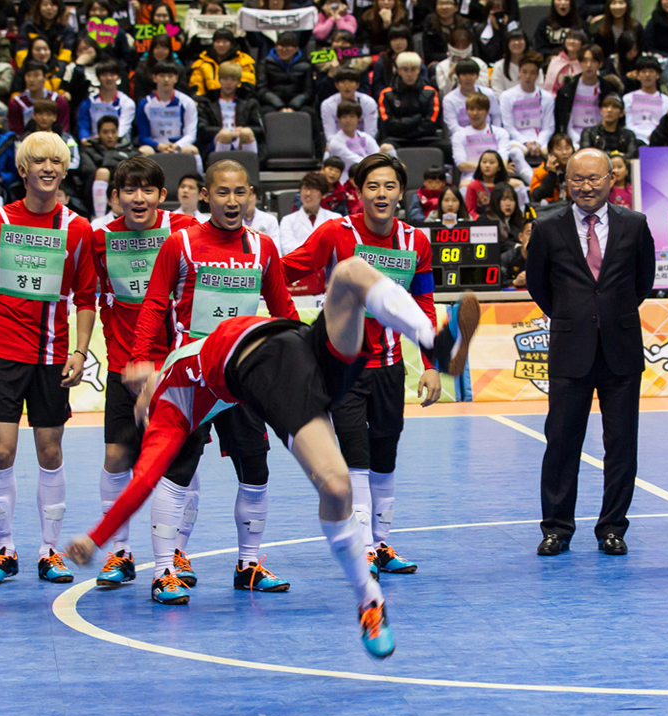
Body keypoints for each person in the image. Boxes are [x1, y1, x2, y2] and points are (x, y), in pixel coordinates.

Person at [66, 257, 478, 658]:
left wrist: (144, 367)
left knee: (349, 272)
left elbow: (163, 332)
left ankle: (434, 343)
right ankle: (369, 599)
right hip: (265, 371)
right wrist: (96, 538)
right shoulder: (168, 415)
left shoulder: (171, 364)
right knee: (337, 489)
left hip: (300, 343)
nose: (138, 400)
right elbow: (143, 479)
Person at [283, 154, 474, 578]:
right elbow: (286, 269)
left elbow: (424, 301)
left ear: (401, 192)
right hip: (346, 367)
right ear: (358, 192)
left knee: (385, 456)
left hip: (391, 365)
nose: (381, 194)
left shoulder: (416, 241)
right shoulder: (336, 233)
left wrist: (428, 366)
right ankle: (365, 548)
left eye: (389, 186)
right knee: (356, 456)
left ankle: (381, 544)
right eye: (372, 186)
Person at [121, 159, 300, 596]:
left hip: (240, 378)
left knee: (255, 468)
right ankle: (164, 571)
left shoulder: (263, 248)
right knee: (177, 471)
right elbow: (154, 304)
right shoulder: (179, 244)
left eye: (240, 192)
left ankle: (249, 565)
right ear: (206, 196)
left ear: (252, 196)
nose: (232, 201)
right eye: (222, 192)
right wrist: (141, 360)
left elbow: (285, 312)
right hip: (190, 376)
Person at [0, 130, 97, 586]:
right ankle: (5, 547)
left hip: (52, 354)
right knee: (2, 450)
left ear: (65, 169)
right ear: (22, 170)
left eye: (56, 161)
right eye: (39, 161)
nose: (48, 168)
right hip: (3, 351)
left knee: (50, 450)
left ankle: (49, 551)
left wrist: (80, 350)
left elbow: (86, 297)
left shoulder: (77, 228)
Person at [526, 147, 656, 557]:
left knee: (621, 445)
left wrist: (610, 314)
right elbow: (538, 285)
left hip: (621, 349)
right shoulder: (547, 227)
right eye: (578, 179)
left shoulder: (635, 224)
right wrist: (573, 316)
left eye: (594, 178)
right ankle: (556, 529)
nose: (586, 186)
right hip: (571, 349)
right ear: (566, 182)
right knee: (561, 443)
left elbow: (643, 280)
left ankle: (613, 528)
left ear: (611, 180)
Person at [87, 156, 198, 584]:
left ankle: (178, 551)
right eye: (129, 190)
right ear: (115, 196)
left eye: (147, 190)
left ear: (161, 195)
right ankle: (119, 553)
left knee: (181, 462)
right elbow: (97, 297)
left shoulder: (183, 231)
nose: (139, 198)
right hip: (126, 366)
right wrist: (122, 353)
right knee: (116, 457)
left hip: (177, 368)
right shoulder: (100, 238)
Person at [135, 61, 200, 168]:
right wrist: (158, 146)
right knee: (144, 151)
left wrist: (176, 145)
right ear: (154, 78)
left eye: (170, 76)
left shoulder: (187, 102)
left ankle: (198, 177)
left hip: (179, 145)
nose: (166, 79)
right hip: (156, 146)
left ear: (176, 78)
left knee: (192, 150)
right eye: (162, 76)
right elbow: (143, 136)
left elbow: (191, 134)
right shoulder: (145, 104)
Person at [377, 52, 446, 152]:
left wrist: (403, 124)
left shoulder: (430, 92)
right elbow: (388, 125)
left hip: (426, 138)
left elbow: (431, 124)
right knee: (385, 148)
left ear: (418, 70)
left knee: (448, 148)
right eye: (405, 69)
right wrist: (418, 118)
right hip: (396, 139)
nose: (409, 74)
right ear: (399, 70)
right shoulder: (386, 94)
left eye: (413, 69)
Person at [554, 45, 620, 147]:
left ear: (600, 64)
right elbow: (563, 121)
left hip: (601, 138)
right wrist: (576, 139)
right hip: (573, 138)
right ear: (579, 63)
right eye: (584, 61)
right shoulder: (567, 90)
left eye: (593, 61)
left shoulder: (608, 89)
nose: (588, 65)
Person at [197, 61, 266, 159]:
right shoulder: (207, 101)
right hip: (217, 140)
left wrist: (241, 130)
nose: (228, 83)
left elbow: (260, 129)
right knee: (225, 135)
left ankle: (250, 165)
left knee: (246, 133)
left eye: (233, 80)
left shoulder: (249, 101)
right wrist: (222, 131)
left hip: (240, 139)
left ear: (239, 81)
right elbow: (202, 129)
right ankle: (220, 166)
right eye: (225, 79)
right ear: (219, 79)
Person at [501, 52, 555, 168]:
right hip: (517, 139)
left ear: (537, 75)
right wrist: (525, 142)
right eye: (524, 72)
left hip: (540, 139)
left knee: (553, 154)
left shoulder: (546, 97)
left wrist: (538, 143)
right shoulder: (507, 96)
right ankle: (530, 178)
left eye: (532, 73)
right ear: (519, 72)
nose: (528, 76)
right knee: (515, 152)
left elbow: (548, 126)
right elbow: (508, 126)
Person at [451, 92, 513, 186]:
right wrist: (492, 167)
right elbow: (462, 165)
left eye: (479, 109)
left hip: (497, 179)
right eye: (471, 109)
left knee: (519, 185)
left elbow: (503, 161)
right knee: (464, 186)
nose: (475, 113)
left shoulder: (500, 133)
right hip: (470, 178)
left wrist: (491, 169)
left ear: (487, 111)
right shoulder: (459, 135)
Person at [81, 115, 136, 219]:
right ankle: (99, 217)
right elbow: (87, 170)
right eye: (105, 132)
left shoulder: (127, 149)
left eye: (113, 132)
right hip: (94, 187)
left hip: (122, 182)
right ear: (99, 134)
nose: (110, 136)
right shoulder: (89, 150)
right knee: (103, 172)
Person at [281, 173, 341, 254]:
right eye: (305, 188)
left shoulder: (335, 219)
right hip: (298, 261)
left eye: (313, 189)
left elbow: (337, 248)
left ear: (324, 194)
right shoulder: (288, 221)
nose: (308, 193)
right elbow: (288, 250)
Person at [76, 60, 135, 143]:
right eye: (104, 75)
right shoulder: (89, 103)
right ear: (98, 78)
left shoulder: (127, 103)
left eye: (112, 75)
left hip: (119, 145)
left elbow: (122, 129)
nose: (109, 78)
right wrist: (84, 139)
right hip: (95, 144)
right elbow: (83, 126)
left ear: (118, 77)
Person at [8, 60, 71, 136]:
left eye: (36, 75)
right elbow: (17, 132)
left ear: (45, 77)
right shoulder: (16, 103)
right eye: (28, 75)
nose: (31, 79)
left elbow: (63, 129)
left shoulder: (59, 101)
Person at [255, 32, 313, 116]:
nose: (284, 50)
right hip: (272, 104)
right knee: (264, 112)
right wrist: (279, 106)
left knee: (309, 113)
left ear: (296, 49)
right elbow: (261, 90)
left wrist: (293, 106)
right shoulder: (265, 64)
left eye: (288, 46)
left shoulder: (305, 66)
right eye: (281, 46)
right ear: (276, 47)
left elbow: (309, 92)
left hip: (297, 104)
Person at [441, 58, 503, 135]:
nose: (468, 78)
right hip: (462, 136)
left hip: (487, 135)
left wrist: (494, 133)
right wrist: (472, 135)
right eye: (464, 75)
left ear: (477, 76)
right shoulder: (449, 99)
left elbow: (496, 116)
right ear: (458, 77)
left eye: (472, 74)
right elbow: (453, 126)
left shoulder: (488, 94)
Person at [327, 102, 383, 184]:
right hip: (347, 182)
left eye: (352, 116)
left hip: (369, 175)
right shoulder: (335, 143)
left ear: (359, 118)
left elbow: (378, 155)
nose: (348, 120)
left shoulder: (365, 136)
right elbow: (358, 162)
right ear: (338, 119)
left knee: (387, 148)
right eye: (344, 117)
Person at [188, 28, 256, 96]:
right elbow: (196, 87)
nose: (221, 45)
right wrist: (202, 99)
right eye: (217, 41)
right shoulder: (202, 63)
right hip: (208, 100)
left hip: (236, 99)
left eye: (225, 42)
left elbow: (247, 86)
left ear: (232, 44)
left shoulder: (243, 61)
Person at [322, 67, 381, 143]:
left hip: (363, 144)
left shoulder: (368, 103)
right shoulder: (328, 105)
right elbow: (330, 135)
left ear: (357, 85)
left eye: (351, 82)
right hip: (338, 144)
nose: (347, 86)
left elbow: (370, 133)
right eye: (343, 82)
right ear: (336, 85)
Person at [622, 57, 668, 145]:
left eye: (651, 71)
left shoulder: (666, 100)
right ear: (637, 75)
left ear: (657, 75)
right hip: (634, 141)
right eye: (643, 72)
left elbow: (664, 126)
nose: (647, 75)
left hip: (658, 140)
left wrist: (654, 136)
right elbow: (629, 124)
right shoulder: (628, 98)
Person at [433, 28, 491, 96]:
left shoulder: (480, 64)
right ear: (450, 45)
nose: (461, 49)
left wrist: (471, 71)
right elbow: (444, 93)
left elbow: (483, 89)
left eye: (464, 46)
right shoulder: (441, 66)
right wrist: (451, 75)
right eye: (457, 46)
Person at [16, 0, 75, 66]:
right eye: (45, 5)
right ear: (38, 7)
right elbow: (21, 53)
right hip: (33, 68)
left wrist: (58, 70)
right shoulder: (27, 28)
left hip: (58, 67)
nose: (49, 8)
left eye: (53, 4)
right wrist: (33, 69)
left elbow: (66, 53)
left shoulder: (66, 29)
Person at [579, 93, 638, 158]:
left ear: (622, 113)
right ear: (601, 110)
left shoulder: (628, 135)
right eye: (606, 106)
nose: (609, 110)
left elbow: (633, 155)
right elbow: (586, 154)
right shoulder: (589, 132)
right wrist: (616, 154)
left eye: (615, 107)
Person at [423, 0, 473, 68]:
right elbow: (428, 54)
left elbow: (472, 50)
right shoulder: (430, 25)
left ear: (456, 7)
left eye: (448, 3)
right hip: (439, 62)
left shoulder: (464, 25)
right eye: (441, 3)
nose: (444, 7)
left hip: (462, 60)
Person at [529, 131, 574, 204]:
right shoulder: (541, 170)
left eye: (568, 148)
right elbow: (537, 196)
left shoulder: (577, 169)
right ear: (550, 152)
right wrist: (551, 174)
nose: (564, 152)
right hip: (550, 209)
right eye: (559, 149)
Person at [465, 149, 512, 218]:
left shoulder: (505, 186)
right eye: (484, 162)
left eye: (491, 162)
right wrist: (482, 220)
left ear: (499, 167)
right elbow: (470, 210)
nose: (487, 165)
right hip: (480, 221)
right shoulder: (473, 186)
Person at [542, 29, 585, 96]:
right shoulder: (556, 61)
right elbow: (549, 88)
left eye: (576, 39)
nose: (572, 41)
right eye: (569, 38)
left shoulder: (586, 62)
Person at [489, 29, 527, 96]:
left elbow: (538, 89)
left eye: (519, 39)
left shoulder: (533, 64)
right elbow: (497, 91)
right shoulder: (499, 66)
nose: (516, 43)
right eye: (513, 40)